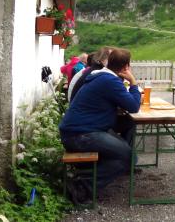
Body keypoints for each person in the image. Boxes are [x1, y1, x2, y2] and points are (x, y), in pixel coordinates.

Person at [59, 48, 141, 204]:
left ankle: (118, 164)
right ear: (126, 67)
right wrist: (133, 83)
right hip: (80, 135)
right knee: (129, 157)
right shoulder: (109, 81)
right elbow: (133, 106)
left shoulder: (101, 76)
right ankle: (80, 187)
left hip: (79, 130)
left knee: (128, 124)